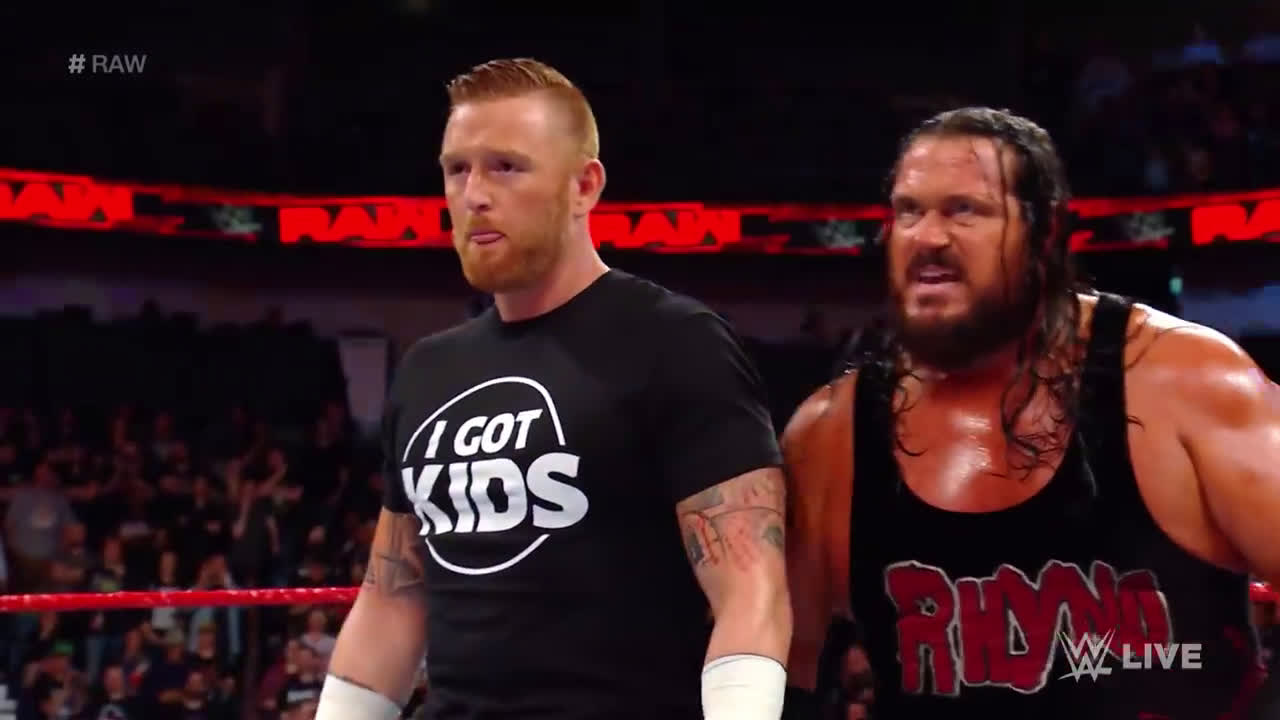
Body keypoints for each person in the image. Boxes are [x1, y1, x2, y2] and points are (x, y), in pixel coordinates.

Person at [317, 58, 791, 720]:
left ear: (584, 186)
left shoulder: (676, 342)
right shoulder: (427, 370)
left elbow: (750, 589)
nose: (474, 194)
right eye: (457, 169)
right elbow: (391, 601)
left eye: (506, 167)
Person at [781, 107, 1279, 719]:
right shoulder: (829, 435)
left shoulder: (1186, 380)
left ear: (1044, 234)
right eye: (909, 211)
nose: (928, 236)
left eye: (965, 210)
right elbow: (783, 672)